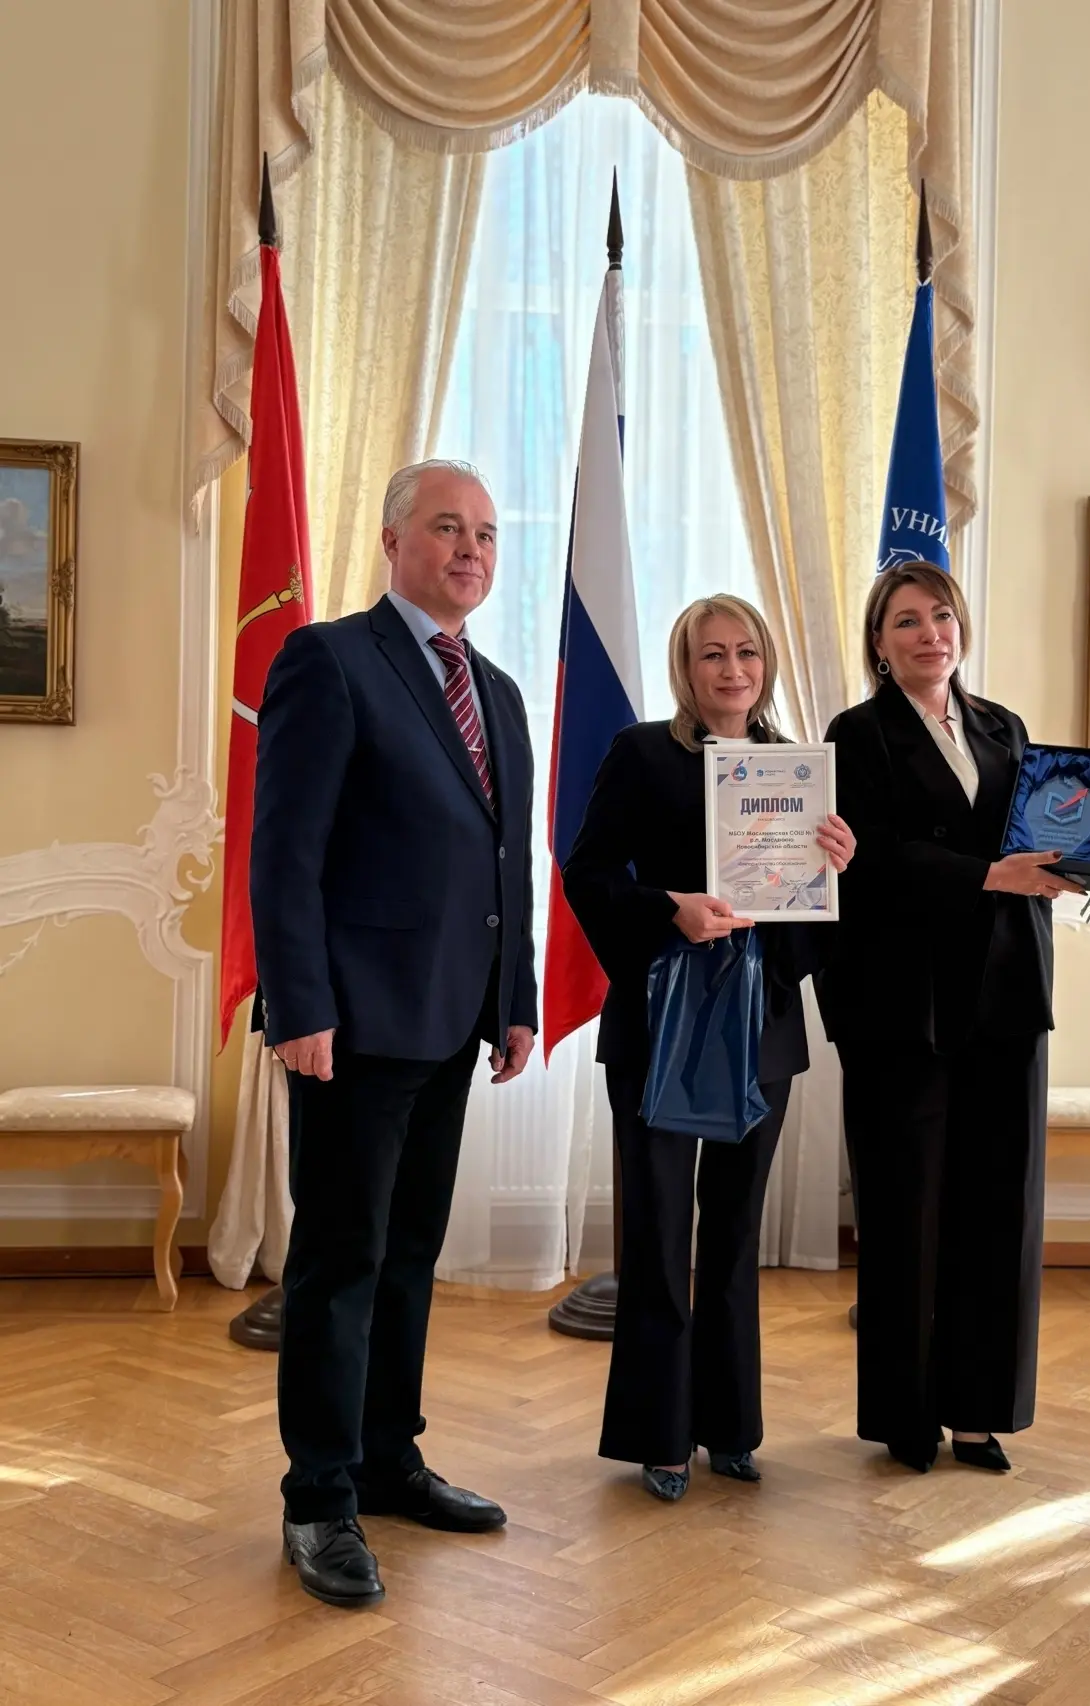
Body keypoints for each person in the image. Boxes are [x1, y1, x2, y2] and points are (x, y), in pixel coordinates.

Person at [817, 561, 1090, 1475]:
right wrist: (986, 875)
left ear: (961, 627)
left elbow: (1050, 852)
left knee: (998, 1208)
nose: (929, 634)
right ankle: (906, 1418)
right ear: (879, 643)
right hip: (901, 1004)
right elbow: (868, 861)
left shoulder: (1004, 728)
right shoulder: (855, 734)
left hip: (1006, 992)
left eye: (941, 616)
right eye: (907, 621)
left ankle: (979, 1413)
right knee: (905, 1212)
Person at [251, 459, 537, 1606]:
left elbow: (508, 863)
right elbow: (285, 852)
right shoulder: (327, 659)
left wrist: (513, 997)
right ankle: (318, 1498)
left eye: (485, 533)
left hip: (452, 1018)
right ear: (391, 540)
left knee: (410, 1253)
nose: (469, 549)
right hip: (353, 1023)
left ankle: (386, 1459)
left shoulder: (498, 689)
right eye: (446, 527)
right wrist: (299, 1006)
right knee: (339, 1264)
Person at [562, 595, 854, 1501]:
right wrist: (669, 911)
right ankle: (658, 1435)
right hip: (661, 1022)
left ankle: (729, 1427)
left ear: (766, 666)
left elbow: (818, 926)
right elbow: (587, 875)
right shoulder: (641, 753)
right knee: (657, 1233)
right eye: (712, 655)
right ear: (685, 669)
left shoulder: (798, 769)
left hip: (762, 1027)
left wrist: (833, 871)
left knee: (733, 1234)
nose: (733, 671)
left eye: (747, 654)